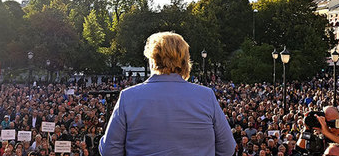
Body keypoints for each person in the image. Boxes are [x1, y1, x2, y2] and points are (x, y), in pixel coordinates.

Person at [99, 32, 236, 155]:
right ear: (184, 62)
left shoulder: (128, 97)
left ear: (152, 60)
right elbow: (227, 148)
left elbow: (110, 150)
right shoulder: (206, 96)